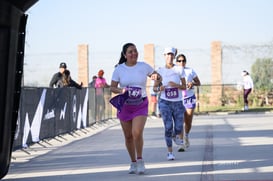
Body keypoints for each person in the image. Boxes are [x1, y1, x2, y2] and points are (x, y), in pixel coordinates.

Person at [110, 43, 161, 175]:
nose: (134, 54)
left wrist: (156, 80)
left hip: (141, 104)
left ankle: (140, 160)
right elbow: (112, 87)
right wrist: (122, 90)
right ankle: (132, 162)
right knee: (128, 136)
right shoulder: (119, 69)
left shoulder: (144, 66)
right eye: (130, 52)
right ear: (125, 55)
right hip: (125, 105)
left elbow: (158, 77)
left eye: (135, 51)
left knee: (136, 132)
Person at [153, 47, 187, 161]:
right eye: (167, 54)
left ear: (174, 56)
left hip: (177, 102)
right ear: (164, 56)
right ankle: (170, 152)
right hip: (164, 102)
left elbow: (184, 86)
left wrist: (176, 85)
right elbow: (155, 88)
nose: (170, 56)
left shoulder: (179, 69)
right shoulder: (159, 70)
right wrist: (159, 87)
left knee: (178, 127)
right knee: (168, 127)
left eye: (171, 54)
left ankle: (175, 135)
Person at [176, 53, 201, 148]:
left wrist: (192, 83)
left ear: (185, 62)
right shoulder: (173, 71)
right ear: (176, 62)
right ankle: (181, 142)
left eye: (183, 61)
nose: (181, 62)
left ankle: (186, 136)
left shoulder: (190, 71)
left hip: (190, 98)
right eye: (179, 61)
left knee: (188, 121)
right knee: (180, 121)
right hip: (178, 99)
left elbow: (198, 82)